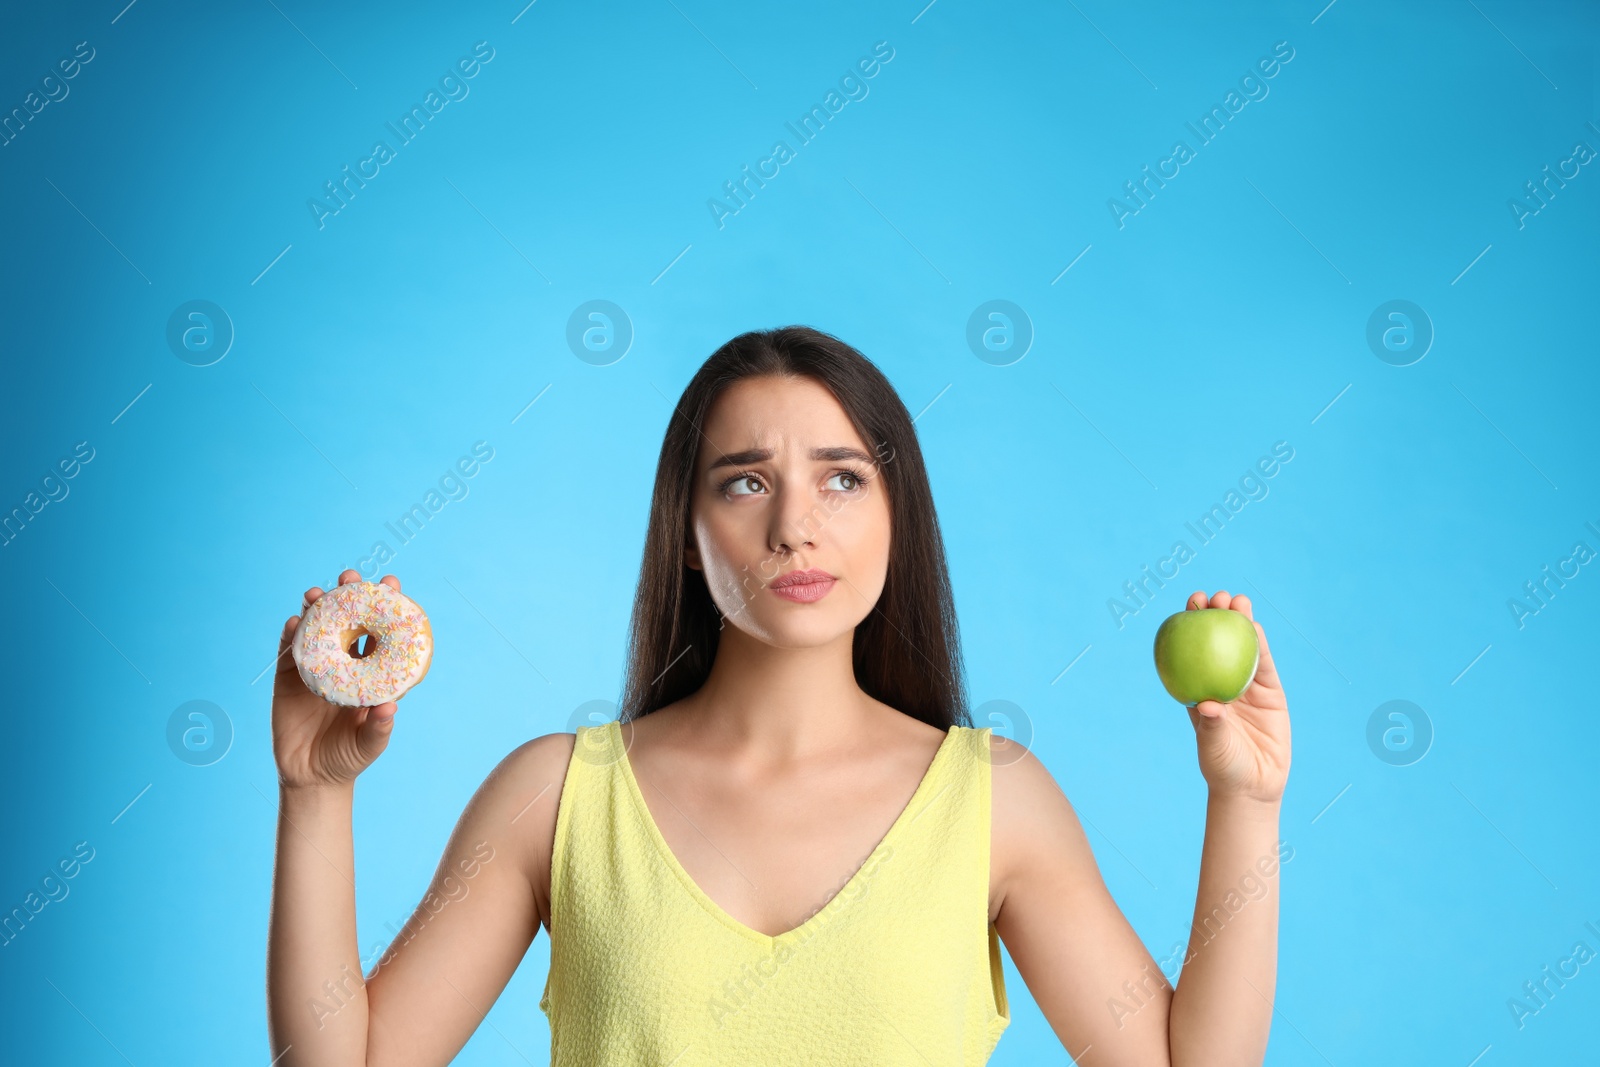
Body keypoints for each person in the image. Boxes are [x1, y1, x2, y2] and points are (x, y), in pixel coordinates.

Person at [265, 325, 1292, 1065]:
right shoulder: (555, 796)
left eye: (843, 477)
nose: (796, 525)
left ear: (899, 516)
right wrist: (315, 792)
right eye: (745, 480)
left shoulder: (994, 800)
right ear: (686, 529)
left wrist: (1244, 802)